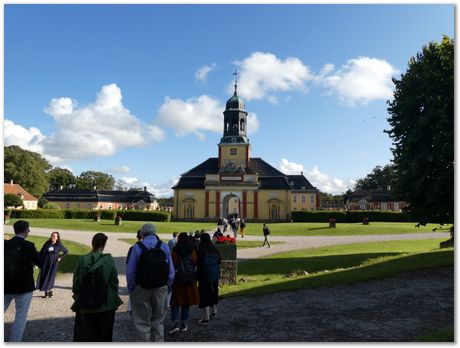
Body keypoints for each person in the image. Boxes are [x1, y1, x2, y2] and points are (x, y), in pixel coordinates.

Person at [126, 223, 175, 342]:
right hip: (160, 287)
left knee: (141, 322)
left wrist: (132, 287)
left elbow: (130, 272)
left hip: (141, 288)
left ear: (142, 234)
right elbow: (171, 271)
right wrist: (167, 285)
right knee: (158, 322)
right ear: (154, 233)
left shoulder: (137, 247)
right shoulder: (164, 246)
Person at [71, 233, 122, 342]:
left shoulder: (82, 259)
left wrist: (77, 296)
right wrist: (114, 300)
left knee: (84, 336)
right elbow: (114, 282)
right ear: (104, 245)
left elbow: (76, 282)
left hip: (85, 303)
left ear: (92, 243)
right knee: (104, 336)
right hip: (106, 304)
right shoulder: (109, 260)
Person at [4, 220, 43, 342]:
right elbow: (40, 263)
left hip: (5, 284)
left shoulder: (4, 244)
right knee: (20, 316)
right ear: (26, 230)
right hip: (23, 286)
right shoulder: (29, 246)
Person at [168, 232, 200, 335]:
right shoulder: (192, 251)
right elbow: (195, 262)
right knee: (187, 300)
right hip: (189, 279)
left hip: (177, 279)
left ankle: (175, 323)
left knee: (175, 302)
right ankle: (184, 322)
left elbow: (171, 264)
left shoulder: (175, 251)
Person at [197, 233, 221, 325]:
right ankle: (214, 312)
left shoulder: (201, 250)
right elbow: (219, 260)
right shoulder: (214, 249)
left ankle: (205, 318)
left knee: (204, 295)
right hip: (214, 275)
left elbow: (199, 264)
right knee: (214, 292)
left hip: (204, 276)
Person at [36, 231, 68, 298]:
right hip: (45, 262)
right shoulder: (47, 243)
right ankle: (48, 292)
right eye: (52, 235)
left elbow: (66, 251)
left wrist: (60, 258)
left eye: (54, 236)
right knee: (44, 274)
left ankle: (48, 291)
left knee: (50, 276)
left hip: (53, 262)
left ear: (57, 237)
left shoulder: (59, 245)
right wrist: (37, 260)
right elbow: (42, 251)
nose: (52, 237)